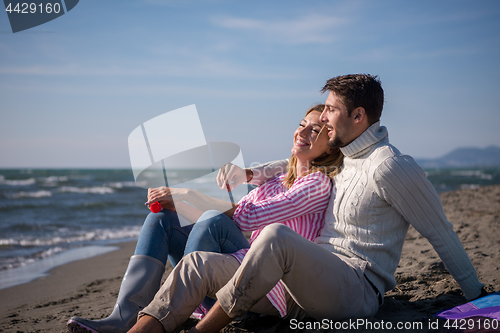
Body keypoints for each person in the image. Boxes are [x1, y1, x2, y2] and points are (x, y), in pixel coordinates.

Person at [127, 74, 485, 333]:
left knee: (275, 235)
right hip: (305, 283)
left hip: (357, 289)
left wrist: (481, 299)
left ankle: (207, 328)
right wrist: (251, 172)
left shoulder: (390, 165)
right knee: (195, 265)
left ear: (358, 116)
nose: (322, 118)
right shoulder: (344, 159)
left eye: (330, 111)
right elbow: (294, 162)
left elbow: (440, 232)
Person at [67, 104, 342, 333]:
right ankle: (126, 315)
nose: (302, 131)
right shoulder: (277, 179)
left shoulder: (316, 184)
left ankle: (181, 306)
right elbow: (231, 218)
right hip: (240, 263)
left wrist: (184, 193)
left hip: (271, 283)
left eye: (314, 130)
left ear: (329, 147)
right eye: (302, 124)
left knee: (210, 217)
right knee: (163, 217)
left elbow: (245, 219)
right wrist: (175, 204)